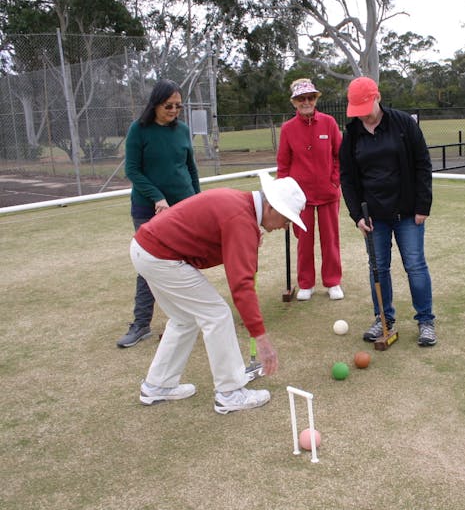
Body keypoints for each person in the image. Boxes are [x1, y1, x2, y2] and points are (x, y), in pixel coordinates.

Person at [130, 172, 307, 414]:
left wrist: (248, 242)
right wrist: (261, 337)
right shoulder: (240, 219)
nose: (285, 227)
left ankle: (157, 385)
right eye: (286, 219)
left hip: (145, 250)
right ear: (270, 207)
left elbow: (209, 247)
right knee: (217, 314)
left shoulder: (240, 207)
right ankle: (230, 392)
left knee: (184, 320)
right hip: (160, 256)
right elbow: (241, 285)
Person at [339, 77, 437, 347]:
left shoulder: (403, 124)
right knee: (378, 269)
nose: (362, 115)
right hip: (372, 216)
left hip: (407, 212)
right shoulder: (352, 134)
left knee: (415, 266)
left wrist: (422, 206)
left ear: (377, 98)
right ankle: (383, 318)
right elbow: (347, 177)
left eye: (365, 107)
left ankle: (426, 321)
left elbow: (422, 164)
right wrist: (357, 215)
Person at [117, 79, 200, 348]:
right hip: (147, 208)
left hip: (184, 206)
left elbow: (191, 168)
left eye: (178, 106)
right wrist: (158, 197)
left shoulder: (183, 130)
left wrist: (198, 202)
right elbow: (132, 170)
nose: (174, 110)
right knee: (149, 265)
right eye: (169, 105)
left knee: (184, 265)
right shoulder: (138, 130)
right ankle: (141, 324)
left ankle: (183, 322)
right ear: (155, 104)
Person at [277, 78, 344, 301]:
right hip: (299, 197)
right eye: (301, 98)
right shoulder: (287, 129)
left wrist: (334, 181)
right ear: (294, 102)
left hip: (328, 193)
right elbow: (283, 165)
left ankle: (333, 281)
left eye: (310, 98)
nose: (306, 102)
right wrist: (283, 197)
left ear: (315, 99)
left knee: (330, 239)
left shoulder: (329, 123)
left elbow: (339, 156)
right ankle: (306, 283)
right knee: (304, 242)